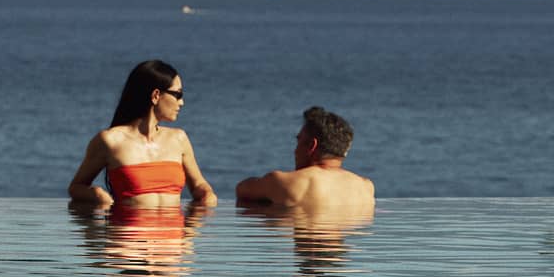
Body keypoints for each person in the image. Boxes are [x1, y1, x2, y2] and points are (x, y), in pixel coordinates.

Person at [68, 58, 216, 209]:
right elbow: (76, 187)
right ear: (156, 95)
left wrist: (207, 195)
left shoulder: (179, 139)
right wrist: (98, 196)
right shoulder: (110, 141)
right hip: (127, 232)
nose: (181, 102)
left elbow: (199, 185)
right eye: (177, 94)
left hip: (173, 232)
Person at [235, 105, 375, 208]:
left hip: (307, 246)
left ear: (311, 146)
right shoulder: (365, 188)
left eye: (299, 141)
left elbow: (242, 190)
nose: (295, 150)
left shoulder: (290, 183)